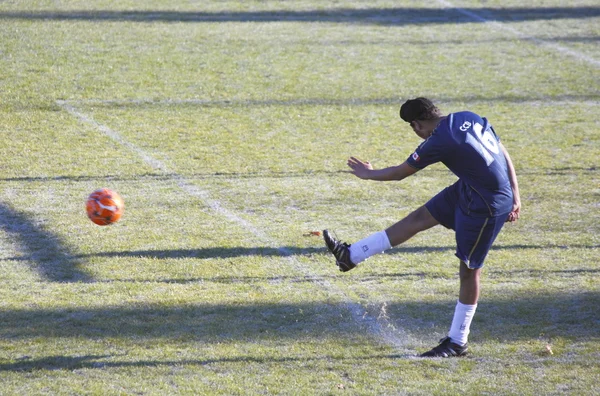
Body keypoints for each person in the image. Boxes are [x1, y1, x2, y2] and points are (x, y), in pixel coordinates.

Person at [323, 97, 521, 357]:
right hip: (473, 188)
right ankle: (350, 255)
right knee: (419, 218)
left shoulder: (439, 140)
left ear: (416, 124)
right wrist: (516, 193)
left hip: (486, 204)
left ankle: (458, 342)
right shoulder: (467, 116)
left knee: (469, 270)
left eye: (413, 127)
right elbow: (501, 149)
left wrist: (368, 173)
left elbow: (401, 172)